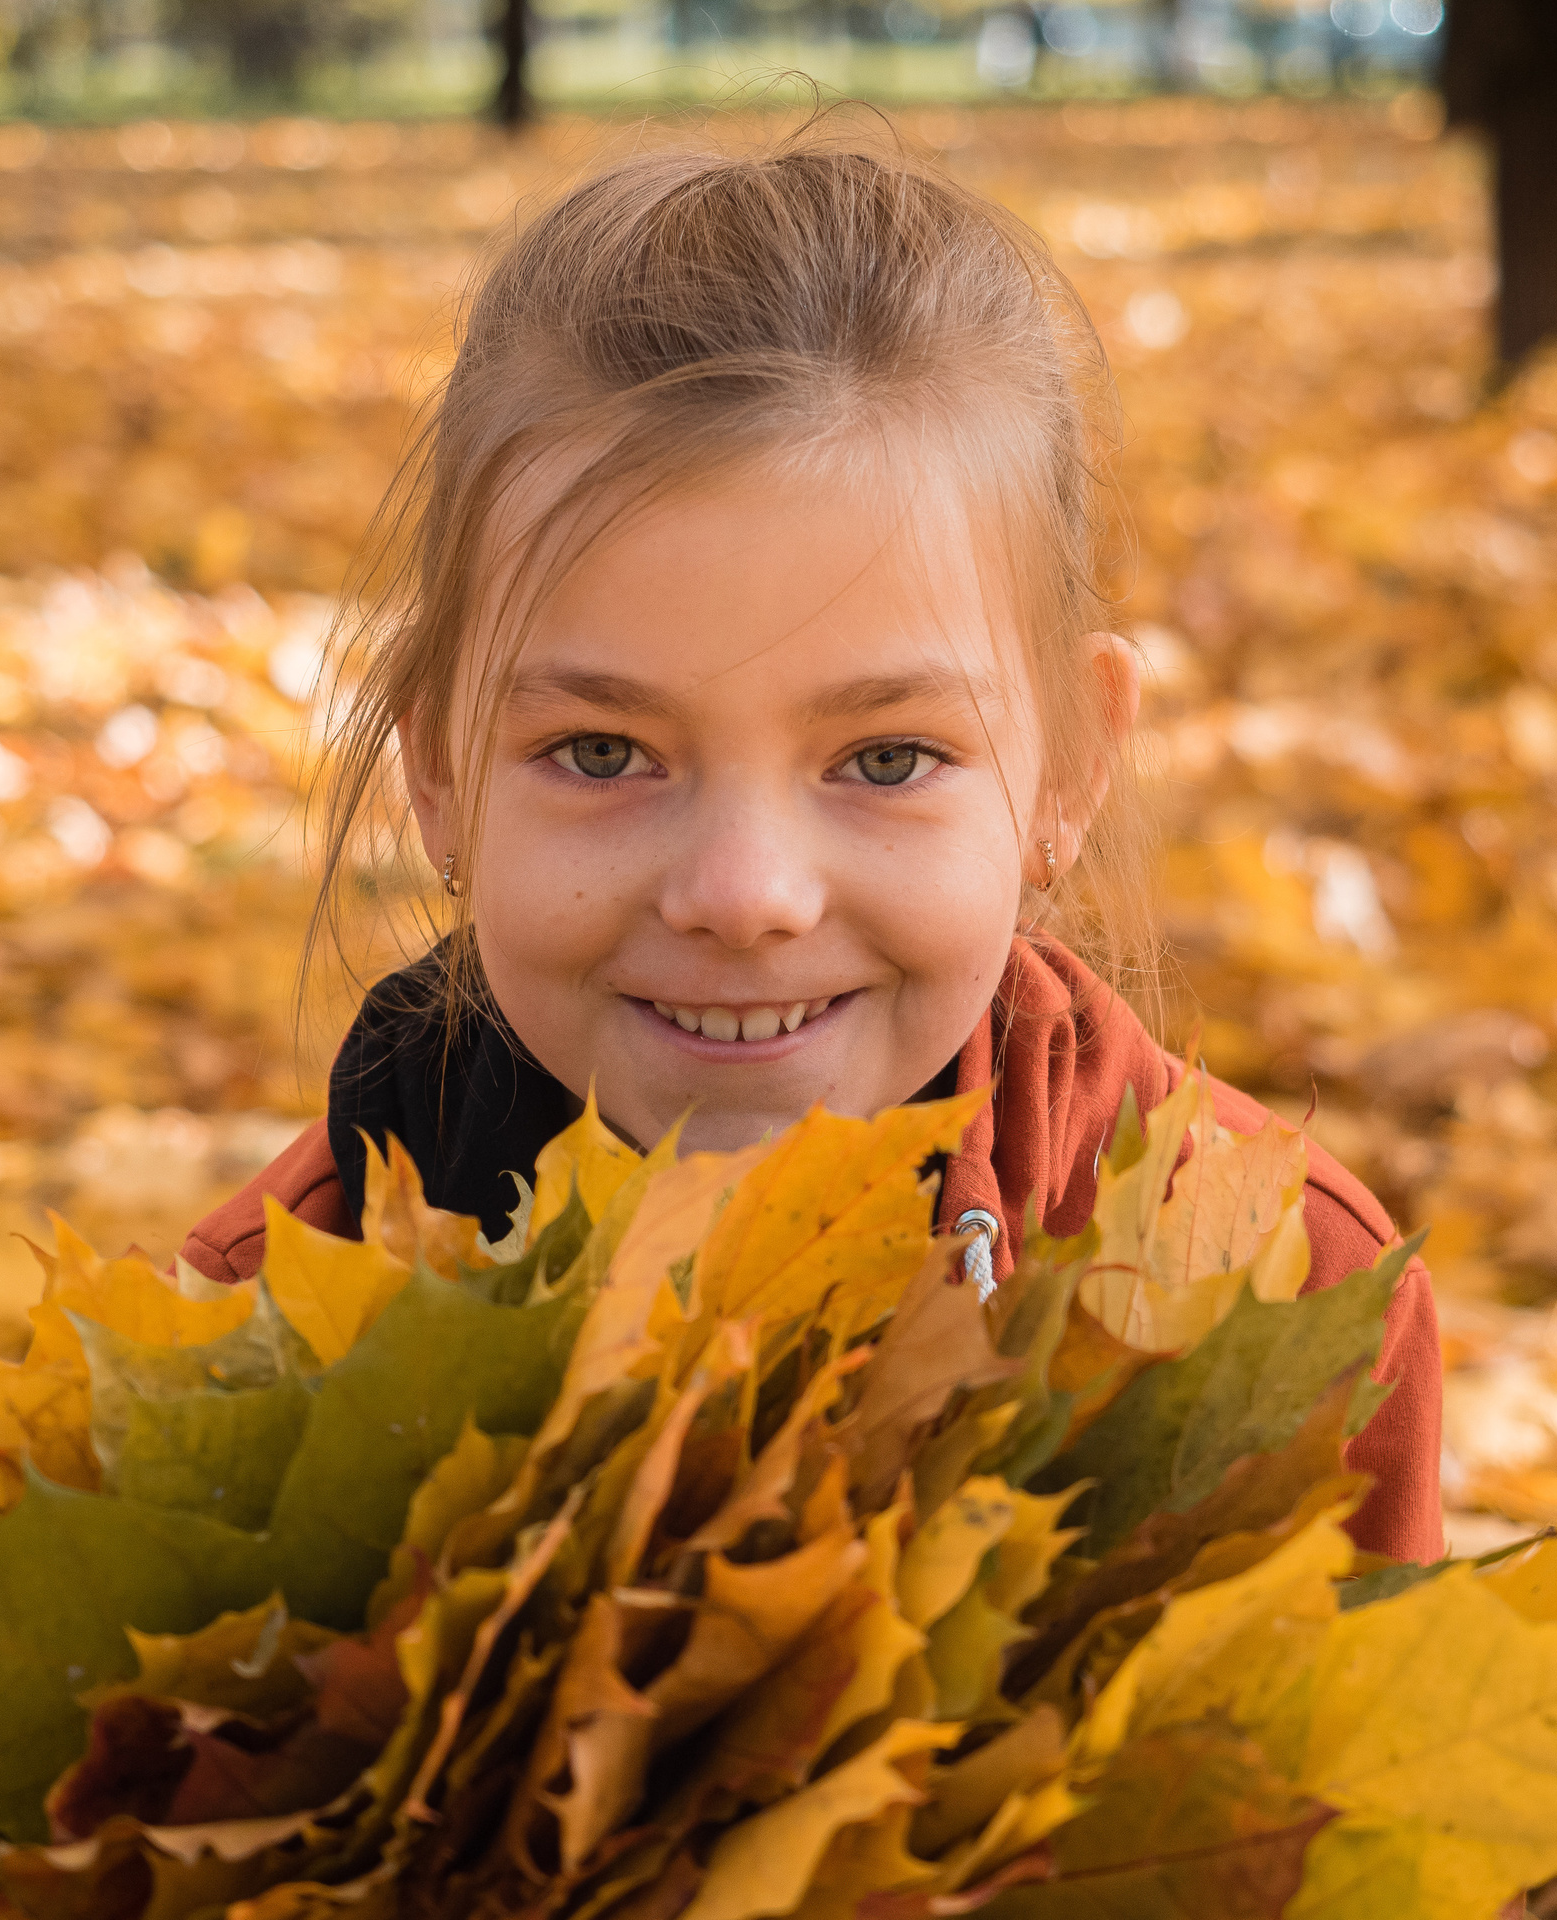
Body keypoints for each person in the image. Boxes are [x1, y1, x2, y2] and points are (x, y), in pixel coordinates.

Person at [182, 123, 1443, 1565]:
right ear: (439, 769)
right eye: (602, 753)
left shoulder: (1278, 1310)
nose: (745, 896)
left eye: (886, 759)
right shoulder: (262, 1329)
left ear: (1069, 766)